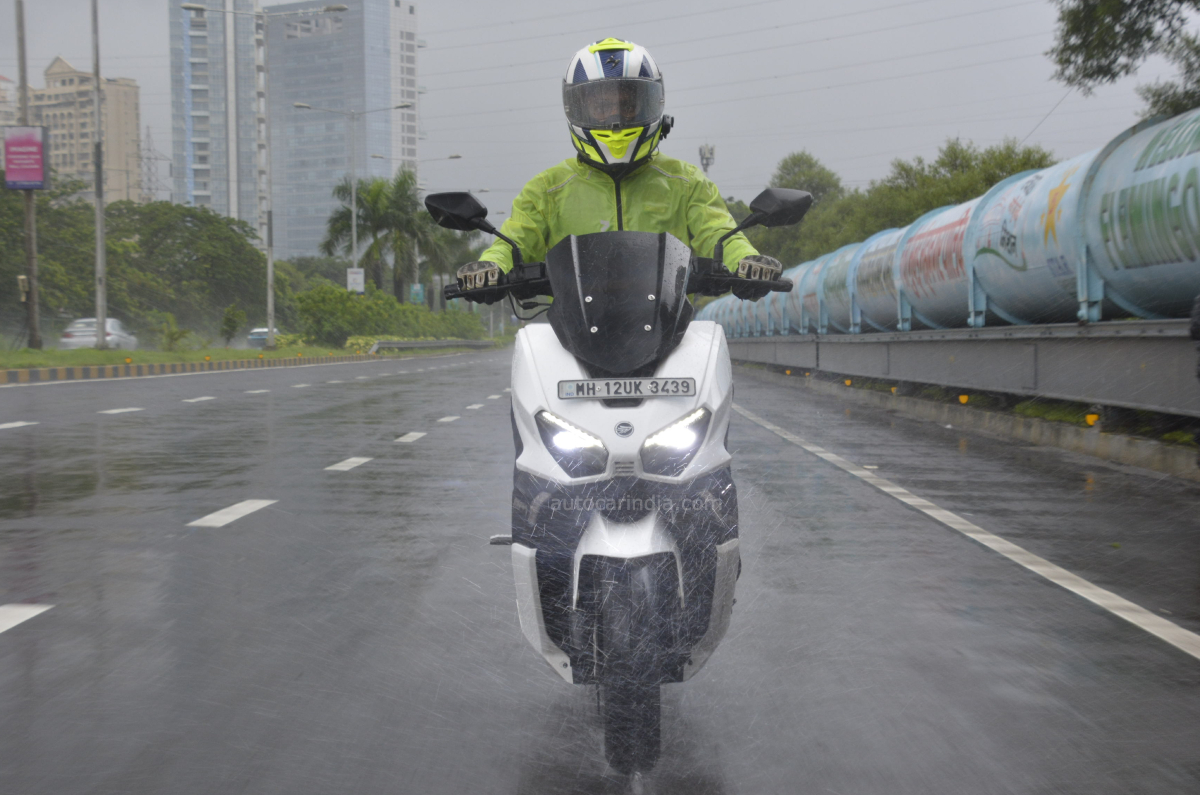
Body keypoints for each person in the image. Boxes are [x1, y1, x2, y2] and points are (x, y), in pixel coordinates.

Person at [455, 37, 781, 301]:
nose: (614, 117)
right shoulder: (547, 189)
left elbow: (719, 233)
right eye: (600, 105)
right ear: (577, 107)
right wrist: (490, 267)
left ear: (651, 104)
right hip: (571, 332)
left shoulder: (687, 182)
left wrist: (745, 263)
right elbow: (514, 241)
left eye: (626, 104)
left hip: (670, 327)